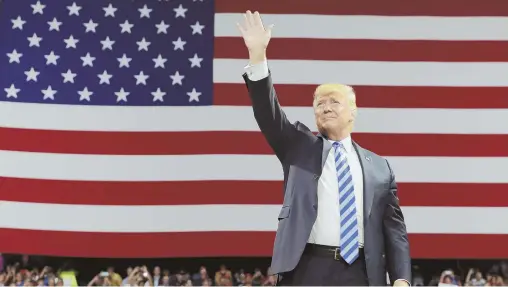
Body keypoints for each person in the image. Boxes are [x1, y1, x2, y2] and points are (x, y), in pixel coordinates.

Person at [237, 10, 412, 286]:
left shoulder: (380, 167)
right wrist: (258, 57)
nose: (325, 107)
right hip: (308, 269)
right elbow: (268, 114)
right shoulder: (299, 146)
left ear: (353, 112)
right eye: (319, 103)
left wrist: (401, 277)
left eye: (333, 101)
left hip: (362, 273)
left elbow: (394, 230)